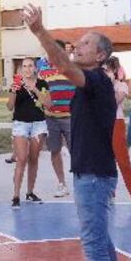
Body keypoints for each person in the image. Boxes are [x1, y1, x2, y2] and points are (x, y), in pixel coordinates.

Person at [23, 5, 126, 261]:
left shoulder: (94, 79)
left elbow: (63, 65)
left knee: (93, 244)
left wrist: (39, 31)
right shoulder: (92, 84)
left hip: (93, 174)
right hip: (93, 171)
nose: (77, 47)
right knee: (101, 237)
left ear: (100, 56)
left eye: (85, 44)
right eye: (77, 43)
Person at [6, 57, 52, 208]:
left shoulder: (42, 84)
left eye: (30, 66)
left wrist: (36, 90)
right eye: (24, 66)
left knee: (33, 158)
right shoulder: (16, 84)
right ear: (21, 69)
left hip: (38, 124)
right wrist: (13, 92)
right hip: (20, 124)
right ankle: (15, 195)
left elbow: (48, 104)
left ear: (35, 68)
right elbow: (9, 107)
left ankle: (30, 192)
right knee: (21, 158)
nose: (27, 69)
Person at [103, 58, 131, 211]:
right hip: (100, 124)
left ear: (115, 71)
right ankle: (110, 194)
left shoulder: (121, 85)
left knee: (123, 161)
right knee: (105, 161)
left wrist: (109, 85)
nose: (105, 73)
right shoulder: (96, 86)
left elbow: (114, 102)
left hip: (116, 122)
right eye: (103, 70)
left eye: (108, 70)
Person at [39, 45, 76, 197]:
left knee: (76, 151)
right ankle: (62, 184)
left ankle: (80, 182)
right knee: (55, 151)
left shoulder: (71, 69)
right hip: (50, 118)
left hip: (70, 117)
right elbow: (40, 94)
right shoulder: (43, 72)